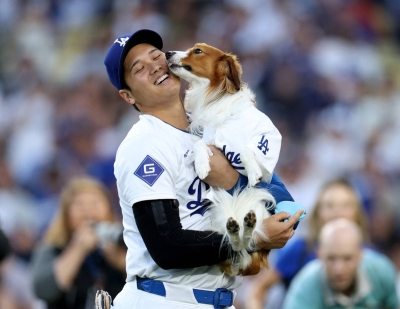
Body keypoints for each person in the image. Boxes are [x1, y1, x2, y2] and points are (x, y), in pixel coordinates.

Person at [102, 29, 304, 309]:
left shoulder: (212, 125)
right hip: (163, 298)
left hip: (218, 300)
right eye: (139, 69)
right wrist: (253, 238)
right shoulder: (145, 143)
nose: (155, 66)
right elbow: (167, 246)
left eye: (156, 56)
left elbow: (286, 208)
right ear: (128, 96)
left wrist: (233, 181)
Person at [245, 178, 370, 309]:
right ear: (317, 212)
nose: (337, 212)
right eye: (329, 206)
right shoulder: (301, 250)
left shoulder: (370, 256)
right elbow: (258, 289)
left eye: (345, 205)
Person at [31, 177, 127, 309]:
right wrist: (78, 249)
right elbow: (43, 291)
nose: (88, 212)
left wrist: (122, 263)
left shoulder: (123, 243)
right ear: (65, 214)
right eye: (79, 205)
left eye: (95, 203)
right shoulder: (52, 248)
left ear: (109, 210)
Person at [283, 218, 399, 309]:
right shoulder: (304, 286)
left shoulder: (382, 271)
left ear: (360, 255)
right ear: (319, 255)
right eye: (331, 258)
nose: (339, 269)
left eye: (347, 258)